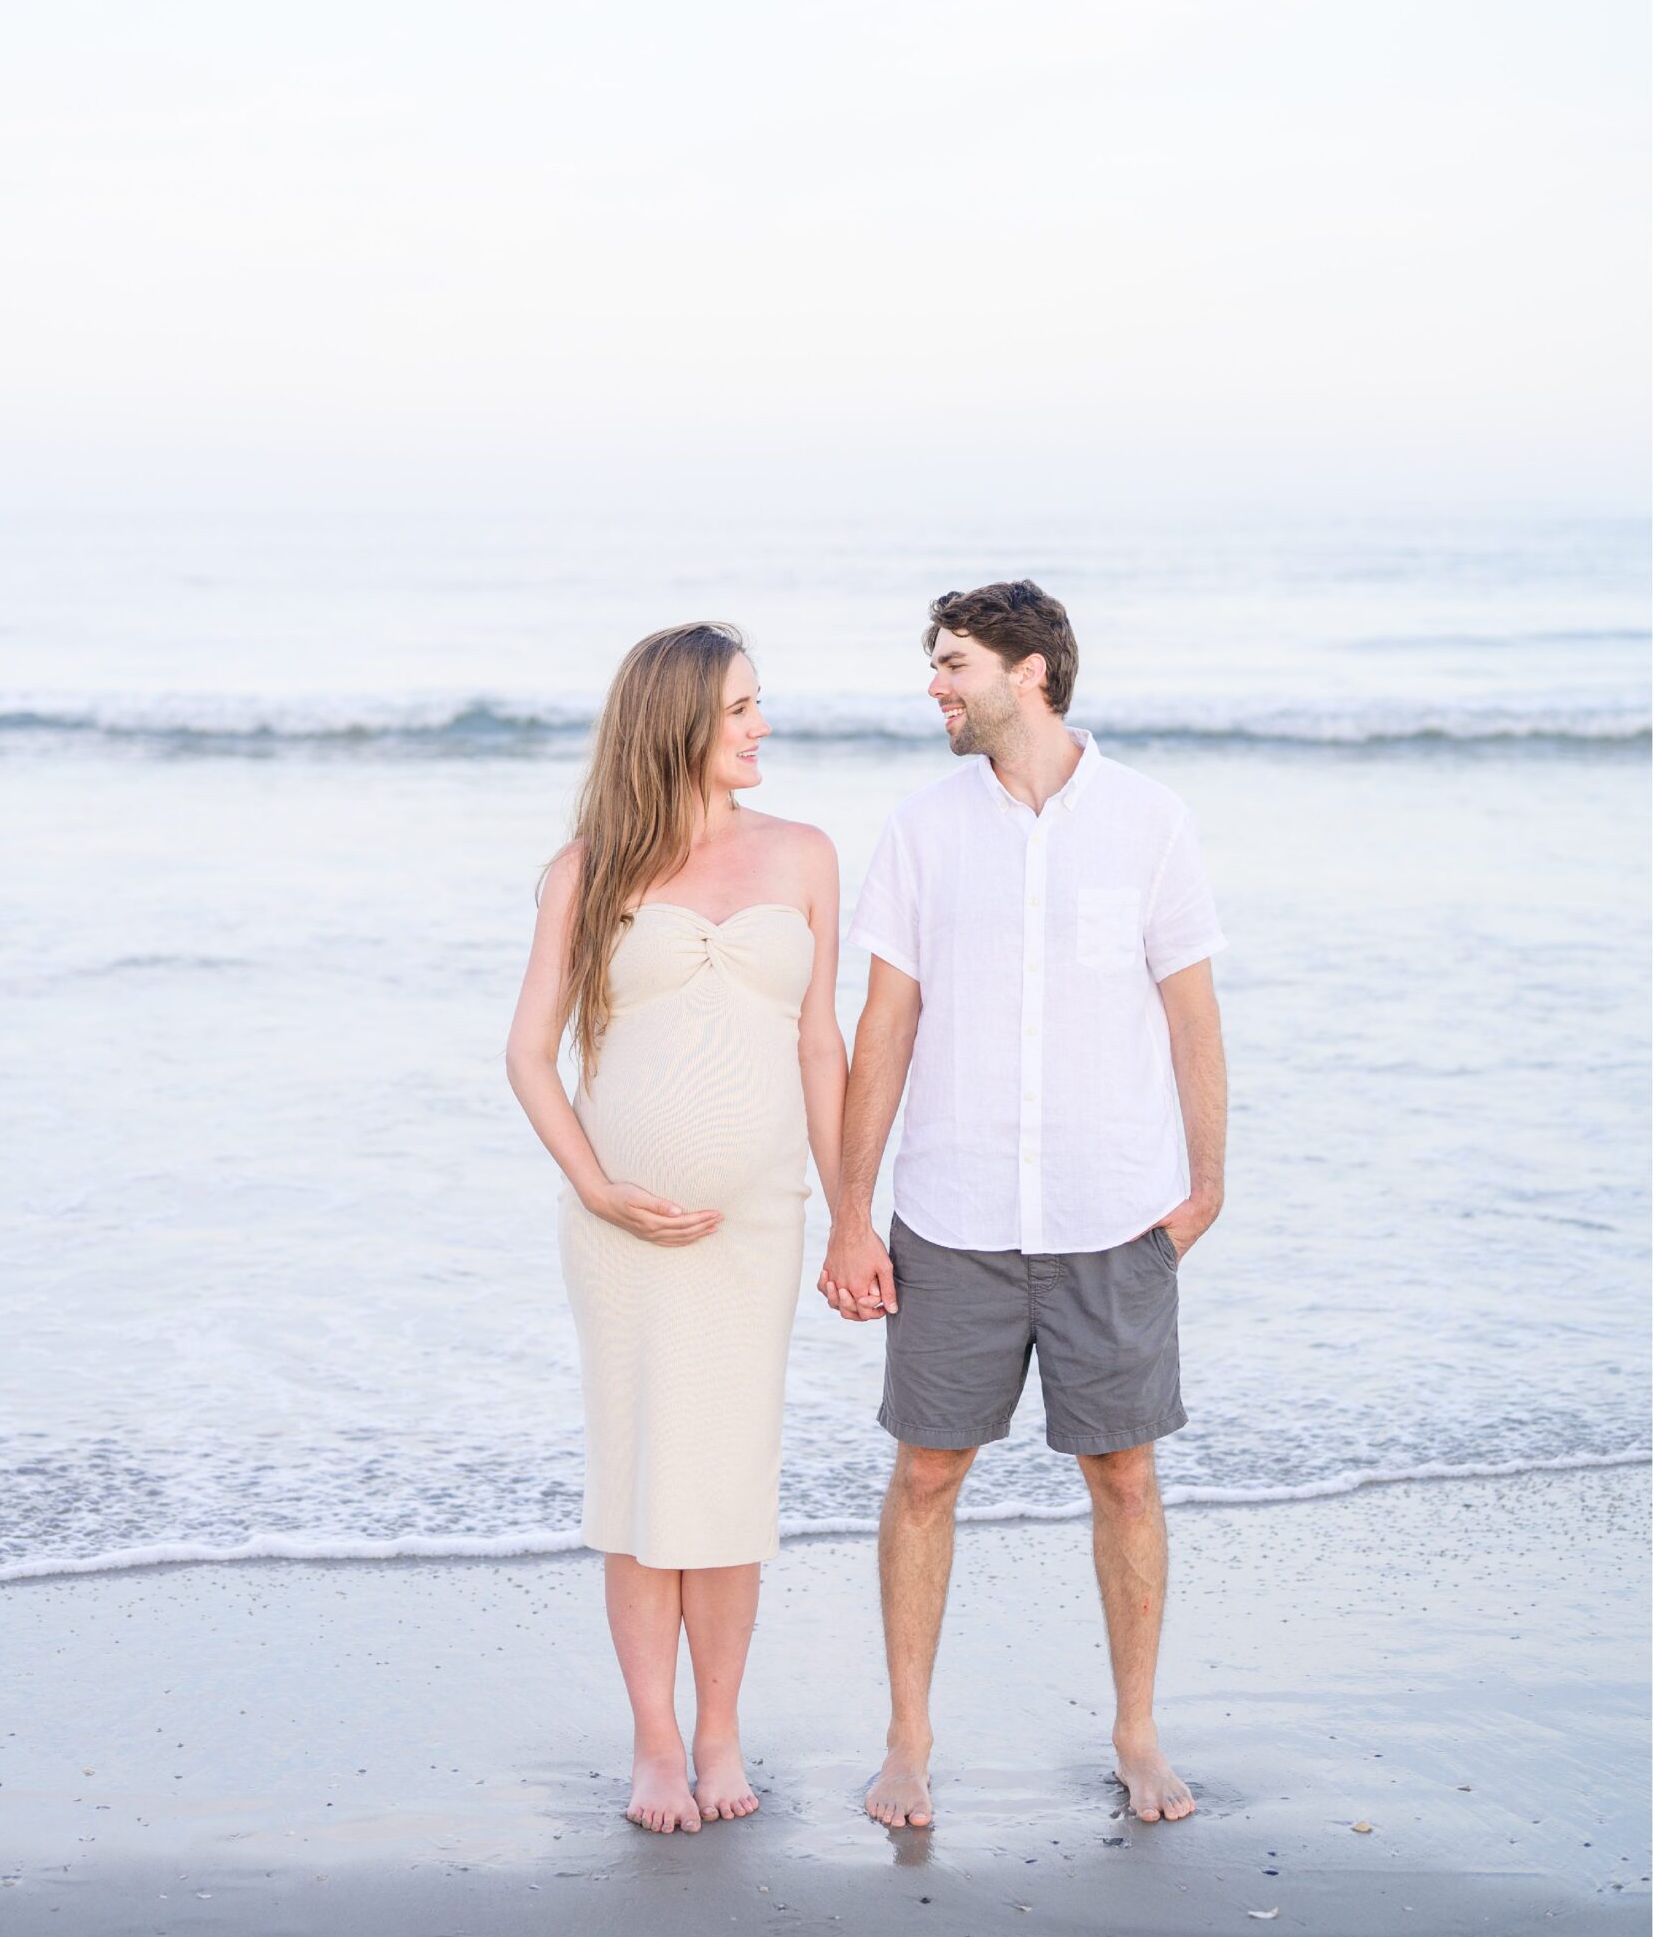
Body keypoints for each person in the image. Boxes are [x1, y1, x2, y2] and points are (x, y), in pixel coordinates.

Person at [820, 580, 1228, 1831]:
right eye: (934, 665)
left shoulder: (1149, 822)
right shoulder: (921, 830)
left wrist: (1205, 1186)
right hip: (952, 1214)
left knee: (1122, 1473)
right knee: (926, 1471)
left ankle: (1136, 1732)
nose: (934, 686)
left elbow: (1192, 1020)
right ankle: (906, 1742)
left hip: (1114, 1212)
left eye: (951, 663)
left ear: (1028, 671)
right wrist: (847, 1213)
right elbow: (881, 1030)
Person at [506, 623, 845, 1835]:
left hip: (759, 1225)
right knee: (646, 1480)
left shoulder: (804, 853)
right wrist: (596, 1185)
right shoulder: (586, 866)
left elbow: (820, 1044)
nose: (761, 725)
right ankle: (654, 1741)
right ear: (678, 720)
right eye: (742, 707)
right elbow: (527, 1054)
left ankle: (720, 1731)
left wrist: (851, 1210)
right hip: (622, 1235)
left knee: (731, 1483)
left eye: (760, 705)